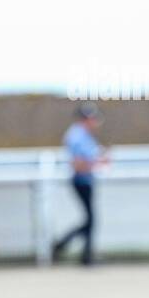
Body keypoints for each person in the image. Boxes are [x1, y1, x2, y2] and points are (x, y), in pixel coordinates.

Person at [52, 104, 107, 265]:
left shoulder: (83, 135)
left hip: (86, 179)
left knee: (90, 219)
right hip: (81, 180)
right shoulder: (76, 135)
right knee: (90, 220)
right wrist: (97, 162)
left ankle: (80, 252)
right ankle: (71, 248)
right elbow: (78, 164)